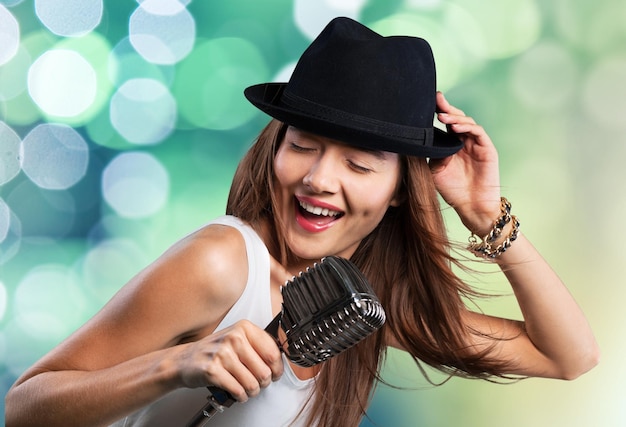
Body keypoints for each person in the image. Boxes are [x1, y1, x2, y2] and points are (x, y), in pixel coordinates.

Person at [5, 17, 599, 427]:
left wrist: (485, 214)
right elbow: (26, 407)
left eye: (359, 165)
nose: (319, 179)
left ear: (398, 191)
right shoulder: (222, 263)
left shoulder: (360, 304)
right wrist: (175, 365)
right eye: (304, 145)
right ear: (276, 145)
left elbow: (568, 356)